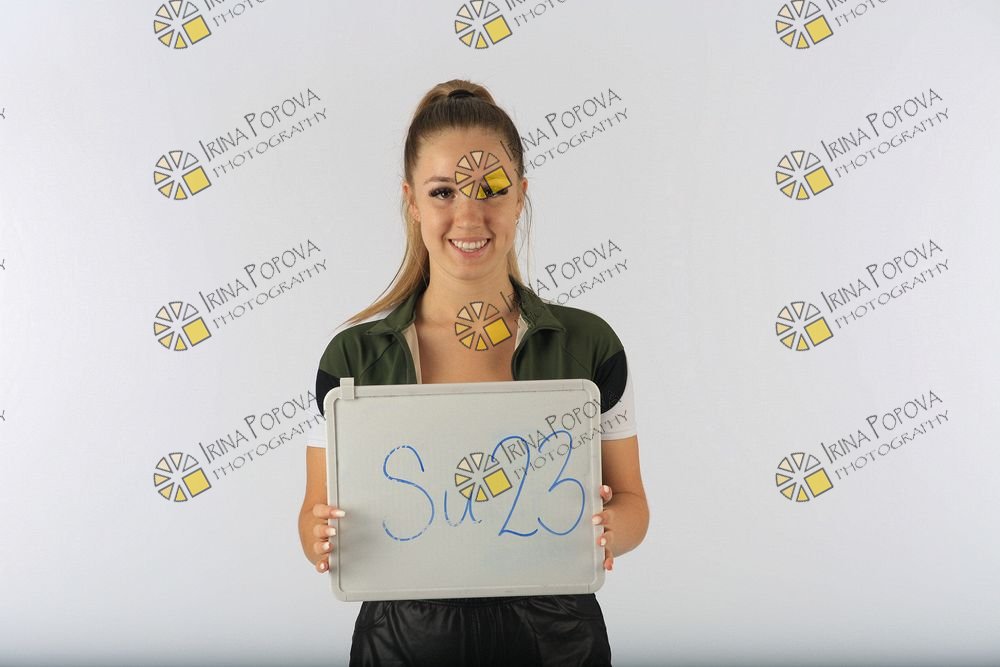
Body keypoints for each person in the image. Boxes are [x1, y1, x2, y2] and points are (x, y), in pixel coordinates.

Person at [298, 79, 649, 666]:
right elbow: (316, 519)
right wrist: (320, 539)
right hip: (403, 640)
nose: (469, 215)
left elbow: (634, 503)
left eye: (492, 189)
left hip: (555, 639)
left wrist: (610, 527)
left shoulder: (590, 346)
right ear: (412, 201)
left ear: (521, 197)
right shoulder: (352, 359)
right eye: (442, 192)